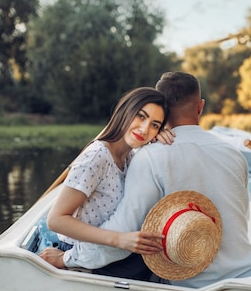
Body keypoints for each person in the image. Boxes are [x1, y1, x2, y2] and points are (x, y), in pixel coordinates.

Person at [95, 71, 251, 288]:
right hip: (248, 274)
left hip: (188, 285)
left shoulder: (151, 156)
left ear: (161, 109)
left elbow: (124, 229)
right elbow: (241, 217)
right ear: (200, 107)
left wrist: (70, 258)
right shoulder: (234, 154)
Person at [38, 87, 169, 270]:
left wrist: (160, 140)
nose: (145, 129)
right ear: (125, 111)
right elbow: (56, 220)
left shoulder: (131, 158)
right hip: (77, 253)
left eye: (155, 125)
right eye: (141, 116)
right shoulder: (97, 156)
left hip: (106, 251)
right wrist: (119, 239)